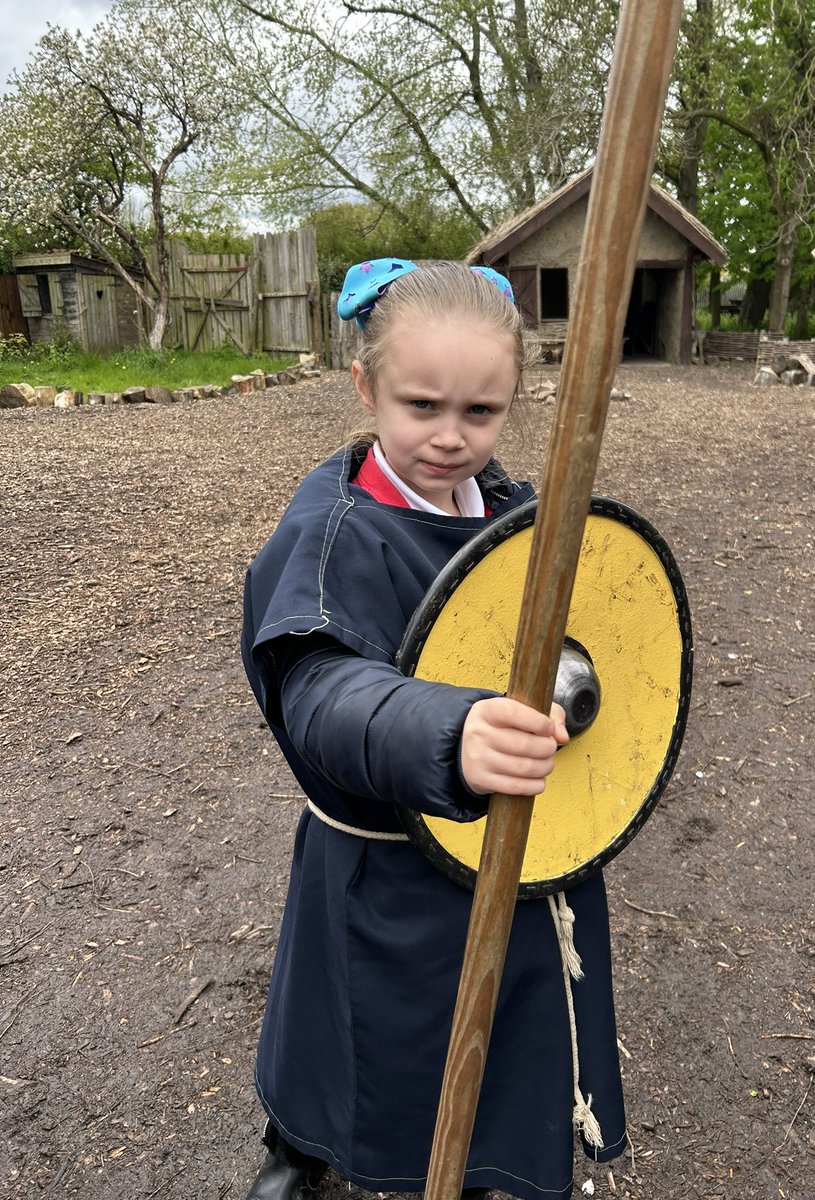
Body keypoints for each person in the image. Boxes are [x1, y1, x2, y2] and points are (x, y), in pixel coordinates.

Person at [241, 259, 626, 1200]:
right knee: (355, 1025)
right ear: (366, 386)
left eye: (482, 414)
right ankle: (298, 1142)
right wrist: (446, 732)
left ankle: (497, 1157)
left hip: (516, 838)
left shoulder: (521, 515)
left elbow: (594, 628)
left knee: (505, 1017)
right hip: (386, 857)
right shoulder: (336, 532)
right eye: (421, 406)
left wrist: (576, 694)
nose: (452, 439)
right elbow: (321, 687)